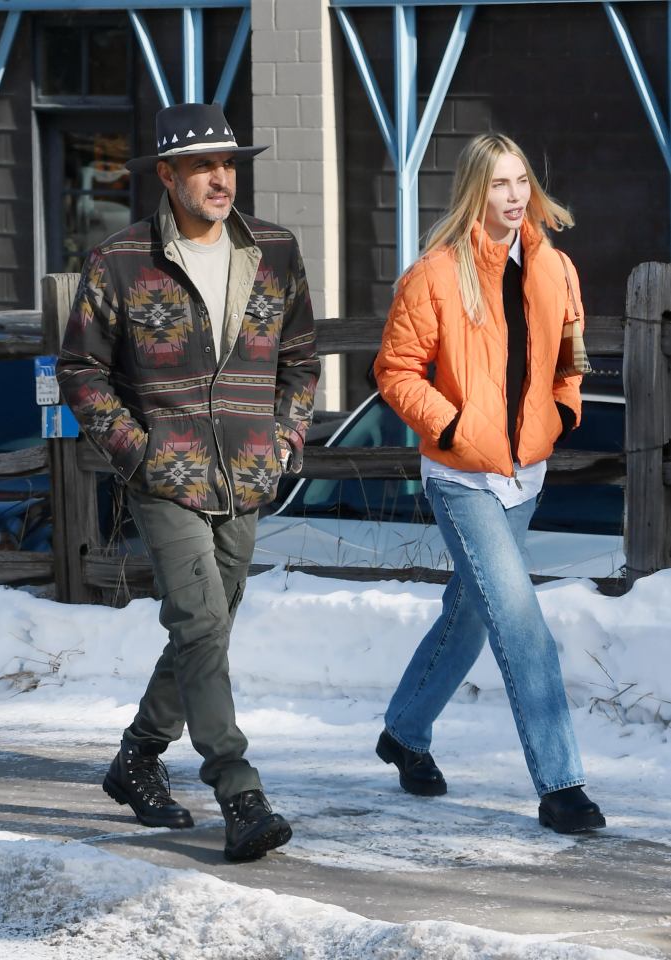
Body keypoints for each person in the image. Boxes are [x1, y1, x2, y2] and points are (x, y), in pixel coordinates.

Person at [56, 102, 320, 861]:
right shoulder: (122, 259)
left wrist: (283, 437)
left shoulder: (274, 250)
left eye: (228, 163)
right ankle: (238, 789)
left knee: (208, 623)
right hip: (163, 476)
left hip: (246, 473)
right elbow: (82, 370)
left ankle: (137, 756)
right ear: (166, 176)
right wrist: (137, 454)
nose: (219, 178)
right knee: (201, 621)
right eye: (202, 165)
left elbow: (299, 359)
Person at [373, 133, 606, 835]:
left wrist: (562, 409)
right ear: (477, 190)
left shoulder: (555, 269)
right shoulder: (435, 275)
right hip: (460, 477)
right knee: (520, 624)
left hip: (523, 472)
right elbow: (395, 371)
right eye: (499, 184)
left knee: (470, 613)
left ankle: (405, 733)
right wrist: (449, 429)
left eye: (520, 183)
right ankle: (560, 785)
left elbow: (571, 358)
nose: (513, 197)